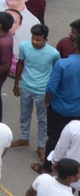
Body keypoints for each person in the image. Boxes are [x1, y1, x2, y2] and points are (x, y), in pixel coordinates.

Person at [13, 23, 60, 166]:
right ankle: (24, 138)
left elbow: (56, 73)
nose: (35, 42)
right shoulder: (24, 46)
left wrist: (50, 94)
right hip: (26, 86)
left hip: (42, 91)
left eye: (38, 40)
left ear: (45, 39)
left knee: (43, 120)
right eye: (33, 38)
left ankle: (41, 147)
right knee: (24, 114)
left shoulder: (53, 53)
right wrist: (16, 83)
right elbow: (20, 63)